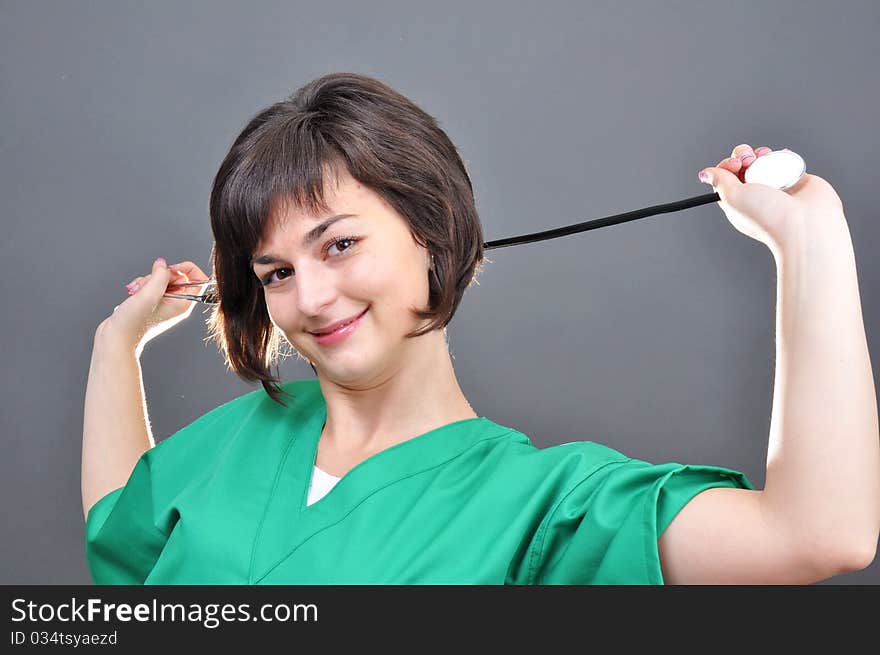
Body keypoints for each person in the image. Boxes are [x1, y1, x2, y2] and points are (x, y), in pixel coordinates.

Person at [81, 72, 879, 585]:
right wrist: (116, 343)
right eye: (277, 271)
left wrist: (810, 240)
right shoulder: (236, 440)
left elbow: (817, 534)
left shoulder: (543, 508)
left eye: (340, 244)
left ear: (428, 231)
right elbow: (117, 532)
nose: (313, 296)